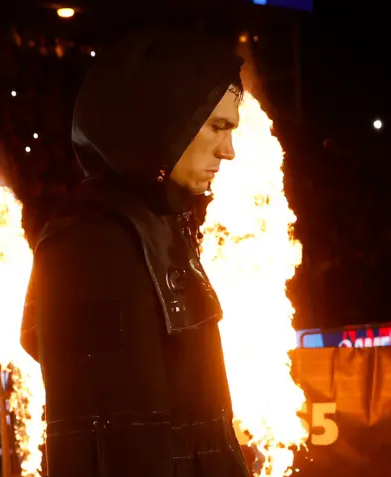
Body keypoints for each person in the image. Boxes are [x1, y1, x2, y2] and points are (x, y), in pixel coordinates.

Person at [20, 27, 249, 477]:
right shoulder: (91, 244)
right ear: (164, 121)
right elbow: (114, 444)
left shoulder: (158, 225)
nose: (230, 151)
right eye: (217, 127)